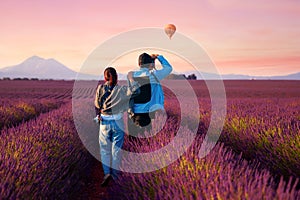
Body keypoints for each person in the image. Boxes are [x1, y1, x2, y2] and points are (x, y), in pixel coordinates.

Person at [94, 67, 140, 186]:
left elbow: (97, 105)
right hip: (118, 122)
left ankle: (106, 173)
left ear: (105, 77)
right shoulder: (122, 90)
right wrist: (130, 78)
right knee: (116, 150)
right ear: (116, 77)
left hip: (104, 122)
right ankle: (115, 176)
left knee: (105, 150)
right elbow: (137, 91)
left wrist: (98, 115)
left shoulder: (100, 88)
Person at [128, 53, 173, 138]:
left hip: (133, 113)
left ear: (139, 64)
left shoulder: (131, 76)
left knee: (133, 142)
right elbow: (168, 68)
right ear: (150, 64)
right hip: (148, 113)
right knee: (147, 139)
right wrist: (159, 57)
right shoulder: (154, 75)